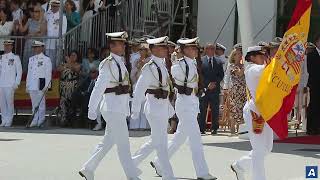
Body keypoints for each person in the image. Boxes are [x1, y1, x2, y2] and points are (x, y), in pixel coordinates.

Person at [150, 37, 217, 180]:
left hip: (192, 103)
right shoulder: (178, 66)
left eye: (195, 48)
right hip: (185, 104)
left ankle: (159, 162)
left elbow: (193, 84)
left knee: (179, 139)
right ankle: (202, 173)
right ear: (184, 50)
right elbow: (179, 83)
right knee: (196, 139)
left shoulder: (192, 64)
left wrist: (202, 89)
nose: (195, 51)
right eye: (192, 48)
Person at [79, 31, 141, 180]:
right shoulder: (107, 63)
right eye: (121, 44)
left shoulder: (120, 62)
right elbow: (99, 87)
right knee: (123, 144)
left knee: (108, 141)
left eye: (124, 44)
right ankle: (132, 176)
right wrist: (91, 108)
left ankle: (88, 168)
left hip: (118, 107)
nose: (124, 46)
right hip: (112, 108)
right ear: (112, 46)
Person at [130, 36, 176, 180]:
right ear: (154, 49)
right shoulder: (149, 67)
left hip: (162, 107)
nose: (165, 50)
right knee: (161, 143)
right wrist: (135, 110)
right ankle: (168, 175)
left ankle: (132, 163)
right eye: (162, 47)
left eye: (165, 47)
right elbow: (139, 90)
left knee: (156, 140)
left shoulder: (162, 64)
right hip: (154, 108)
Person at [231, 46, 272, 180]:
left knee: (266, 149)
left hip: (265, 111)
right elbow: (271, 69)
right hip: (255, 113)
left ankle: (240, 165)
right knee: (259, 150)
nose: (264, 58)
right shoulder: (253, 69)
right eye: (261, 55)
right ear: (252, 57)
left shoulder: (260, 69)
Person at [199, 43, 224, 135]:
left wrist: (214, 83)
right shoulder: (201, 61)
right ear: (205, 50)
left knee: (215, 110)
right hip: (205, 89)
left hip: (215, 89)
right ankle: (201, 128)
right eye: (209, 49)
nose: (211, 51)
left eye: (212, 49)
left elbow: (221, 74)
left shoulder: (218, 61)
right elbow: (200, 75)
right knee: (202, 109)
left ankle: (214, 128)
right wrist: (207, 84)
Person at [26, 41, 52, 128]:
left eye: (37, 47)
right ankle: (34, 119)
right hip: (32, 84)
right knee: (34, 104)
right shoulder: (31, 59)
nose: (35, 49)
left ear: (42, 48)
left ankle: (41, 120)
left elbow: (48, 73)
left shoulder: (46, 59)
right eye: (34, 47)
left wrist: (47, 86)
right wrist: (27, 85)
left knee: (41, 104)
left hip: (41, 83)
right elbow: (29, 73)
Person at [0, 40, 22, 127]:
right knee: (2, 103)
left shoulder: (15, 57)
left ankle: (9, 119)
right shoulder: (1, 57)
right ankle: (4, 119)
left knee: (9, 103)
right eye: (5, 46)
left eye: (8, 46)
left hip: (10, 84)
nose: (6, 47)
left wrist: (17, 83)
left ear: (12, 47)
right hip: (2, 83)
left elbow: (19, 71)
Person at [19, 4, 47, 71]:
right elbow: (22, 30)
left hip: (37, 45)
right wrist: (20, 22)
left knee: (36, 62)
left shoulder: (44, 21)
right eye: (34, 11)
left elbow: (42, 33)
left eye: (37, 11)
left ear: (41, 12)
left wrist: (32, 35)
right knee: (27, 60)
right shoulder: (29, 20)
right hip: (28, 44)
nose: (35, 13)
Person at [225, 49, 246, 135]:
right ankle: (233, 128)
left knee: (242, 109)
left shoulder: (243, 65)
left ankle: (240, 128)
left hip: (243, 89)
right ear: (233, 56)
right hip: (234, 90)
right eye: (237, 54)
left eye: (241, 54)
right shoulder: (231, 66)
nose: (240, 55)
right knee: (234, 109)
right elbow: (230, 76)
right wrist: (225, 88)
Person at [57, 50, 81, 127]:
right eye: (71, 55)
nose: (72, 57)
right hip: (63, 86)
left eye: (74, 55)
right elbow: (59, 69)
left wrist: (69, 63)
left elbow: (76, 70)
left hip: (73, 86)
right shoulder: (64, 64)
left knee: (72, 103)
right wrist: (66, 64)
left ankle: (71, 121)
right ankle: (63, 120)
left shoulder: (78, 65)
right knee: (63, 103)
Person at [45, 0, 67, 69]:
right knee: (49, 60)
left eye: (55, 6)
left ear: (59, 6)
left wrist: (60, 40)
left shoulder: (62, 16)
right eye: (52, 6)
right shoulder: (47, 14)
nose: (53, 8)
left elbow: (63, 30)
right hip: (48, 42)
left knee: (57, 61)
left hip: (58, 42)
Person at [306, 34, 320, 135]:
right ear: (316, 42)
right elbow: (309, 70)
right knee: (313, 105)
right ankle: (311, 128)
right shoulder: (311, 55)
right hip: (314, 84)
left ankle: (318, 127)